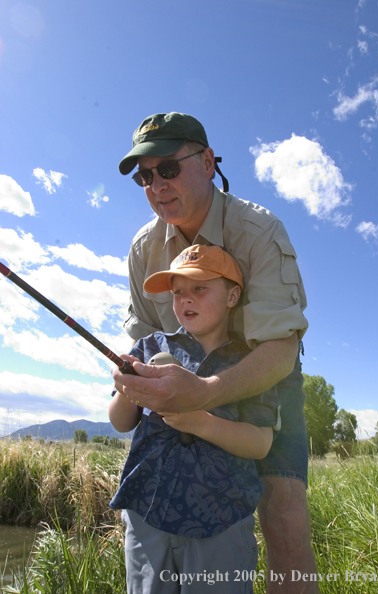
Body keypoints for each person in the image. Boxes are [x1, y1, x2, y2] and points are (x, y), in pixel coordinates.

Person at [112, 112, 319, 593]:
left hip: (263, 374)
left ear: (207, 162)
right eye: (145, 176)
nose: (156, 185)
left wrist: (204, 395)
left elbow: (281, 349)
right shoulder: (143, 249)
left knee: (284, 513)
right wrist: (138, 382)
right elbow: (142, 344)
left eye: (168, 169)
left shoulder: (259, 230)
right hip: (178, 388)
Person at [109, 244, 279, 594]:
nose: (185, 299)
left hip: (221, 520)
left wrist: (199, 421)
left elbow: (260, 444)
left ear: (233, 296)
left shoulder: (251, 366)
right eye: (178, 292)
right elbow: (120, 422)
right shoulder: (150, 345)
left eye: (199, 288)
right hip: (147, 515)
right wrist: (127, 387)